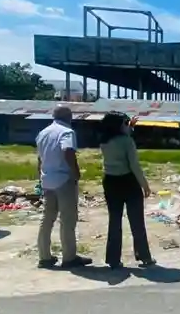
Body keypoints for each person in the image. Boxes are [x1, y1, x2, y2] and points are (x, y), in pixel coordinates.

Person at [35, 105, 91, 269]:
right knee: (67, 220)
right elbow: (67, 151)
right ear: (69, 116)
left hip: (47, 180)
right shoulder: (67, 132)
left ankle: (44, 257)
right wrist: (76, 172)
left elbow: (39, 158)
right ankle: (69, 257)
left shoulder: (43, 133)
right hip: (63, 179)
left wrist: (40, 175)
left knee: (47, 219)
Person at [98, 113, 155, 269]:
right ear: (119, 126)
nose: (127, 125)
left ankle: (113, 259)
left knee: (114, 221)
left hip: (110, 181)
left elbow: (121, 136)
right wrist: (145, 185)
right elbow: (134, 165)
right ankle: (144, 256)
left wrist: (131, 127)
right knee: (136, 221)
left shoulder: (104, 140)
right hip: (128, 181)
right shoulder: (127, 141)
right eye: (125, 123)